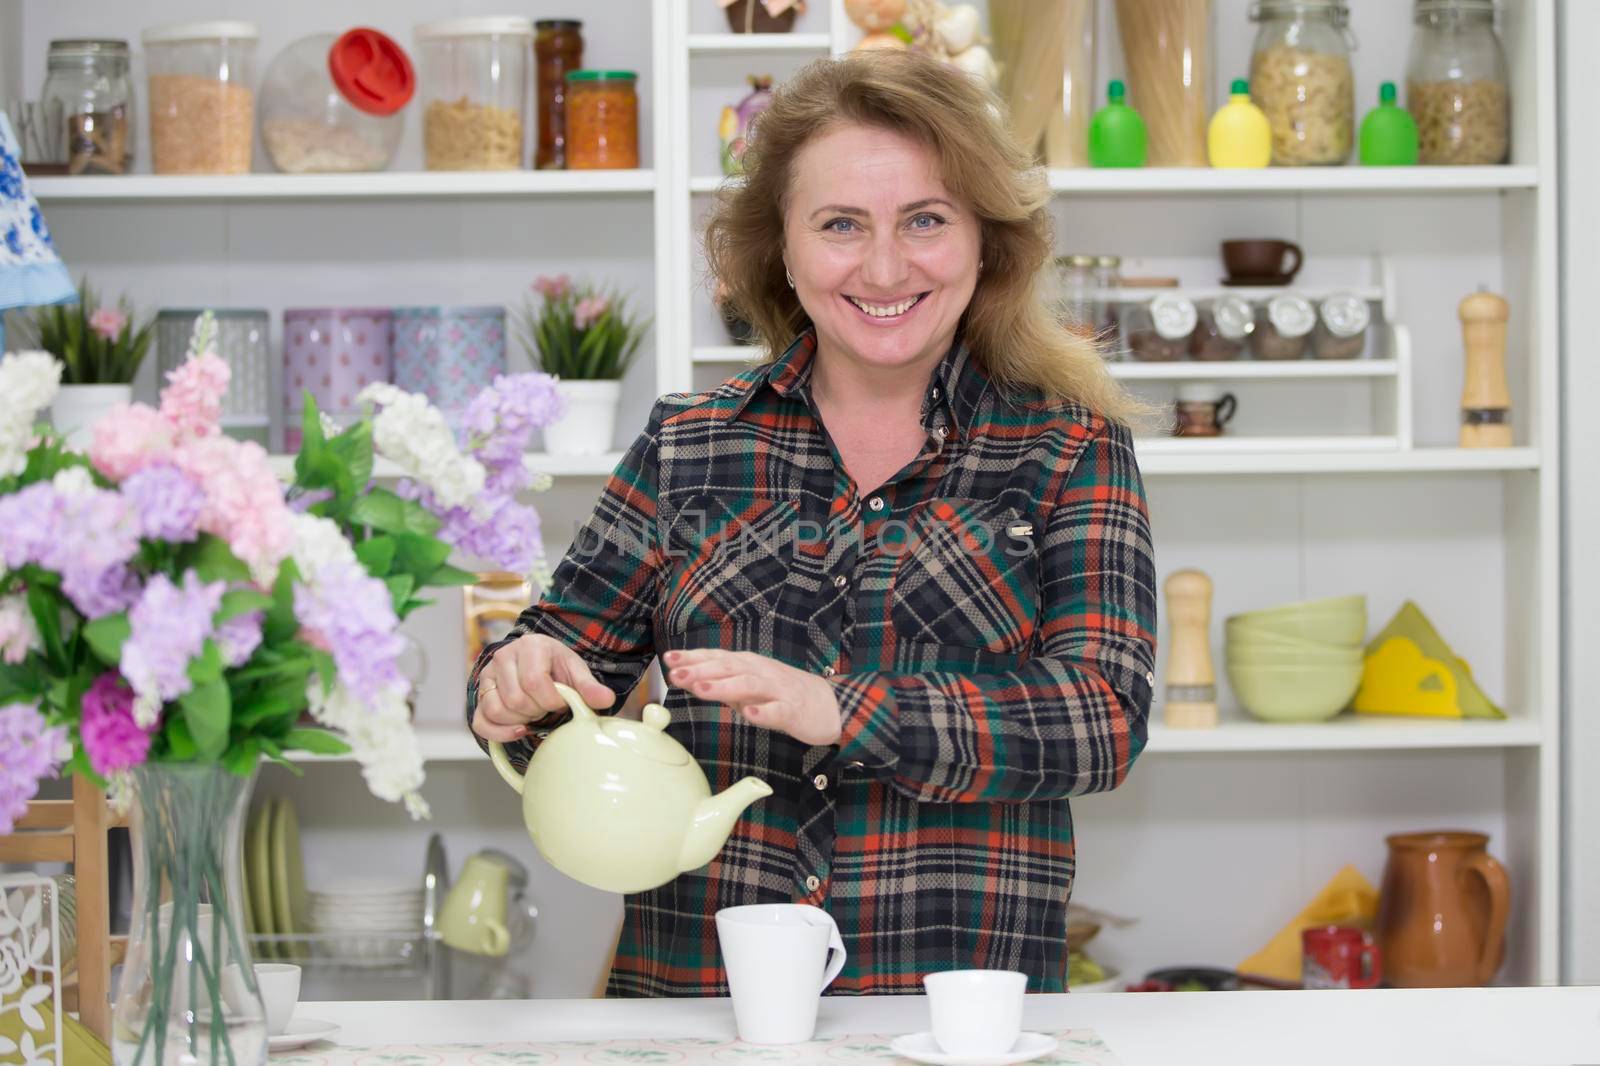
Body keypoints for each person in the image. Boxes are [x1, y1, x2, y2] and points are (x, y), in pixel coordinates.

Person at [468, 50, 1156, 996]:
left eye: (925, 220)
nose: (884, 266)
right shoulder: (688, 446)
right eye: (841, 224)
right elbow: (559, 686)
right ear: (781, 248)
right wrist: (515, 684)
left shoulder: (1068, 449)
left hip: (953, 1019)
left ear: (986, 241)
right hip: (701, 1014)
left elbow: (1102, 719)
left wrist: (842, 709)